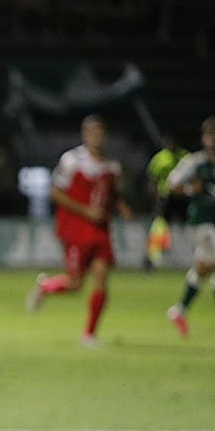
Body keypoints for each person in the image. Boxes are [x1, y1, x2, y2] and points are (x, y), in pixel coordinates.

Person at [26, 115, 133, 347]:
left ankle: (89, 335)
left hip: (100, 229)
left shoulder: (111, 166)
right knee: (75, 283)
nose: (97, 137)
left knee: (101, 278)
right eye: (92, 133)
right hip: (76, 228)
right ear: (85, 135)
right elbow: (55, 192)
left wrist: (122, 207)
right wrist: (85, 211)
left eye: (100, 133)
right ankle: (46, 287)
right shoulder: (72, 160)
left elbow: (111, 194)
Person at [165, 116, 215, 337]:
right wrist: (191, 190)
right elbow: (171, 183)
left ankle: (179, 311)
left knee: (203, 268)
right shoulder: (195, 162)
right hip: (200, 222)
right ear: (204, 138)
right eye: (210, 135)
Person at [144, 131, 190, 269]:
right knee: (160, 224)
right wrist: (155, 201)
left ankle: (199, 253)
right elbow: (153, 181)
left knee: (192, 224)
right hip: (165, 197)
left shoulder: (186, 157)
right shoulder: (159, 158)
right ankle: (152, 257)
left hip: (183, 196)